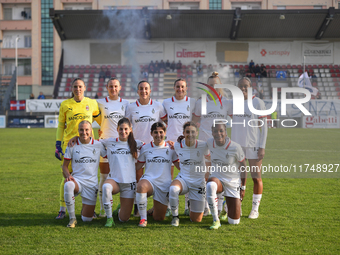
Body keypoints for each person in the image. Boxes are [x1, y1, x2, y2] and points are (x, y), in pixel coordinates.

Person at [55, 78, 100, 219]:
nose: (78, 89)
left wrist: (101, 137)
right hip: (69, 144)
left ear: (85, 87)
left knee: (89, 172)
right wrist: (58, 144)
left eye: (80, 86)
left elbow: (101, 121)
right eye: (75, 86)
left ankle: (89, 208)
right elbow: (61, 126)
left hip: (87, 145)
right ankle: (62, 209)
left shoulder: (92, 103)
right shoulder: (65, 104)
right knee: (67, 175)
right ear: (71, 88)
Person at [126, 80, 167, 215]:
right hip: (137, 149)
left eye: (146, 89)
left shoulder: (158, 106)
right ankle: (138, 208)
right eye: (141, 89)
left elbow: (165, 124)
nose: (143, 91)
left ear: (150, 91)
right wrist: (132, 146)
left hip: (154, 149)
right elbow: (127, 128)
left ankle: (158, 207)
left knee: (157, 177)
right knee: (138, 179)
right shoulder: (131, 107)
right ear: (137, 91)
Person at [229, 77, 268, 219]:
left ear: (251, 87)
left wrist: (262, 147)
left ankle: (255, 209)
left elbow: (264, 127)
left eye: (245, 86)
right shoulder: (233, 103)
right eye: (240, 86)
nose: (243, 88)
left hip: (253, 145)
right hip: (237, 147)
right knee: (237, 178)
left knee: (256, 178)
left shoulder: (258, 102)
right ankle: (235, 205)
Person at [193, 72, 229, 216]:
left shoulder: (226, 102)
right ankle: (207, 206)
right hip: (204, 143)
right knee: (205, 175)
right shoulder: (200, 102)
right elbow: (194, 122)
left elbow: (238, 119)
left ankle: (220, 206)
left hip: (220, 144)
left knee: (219, 175)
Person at [101, 118, 145, 227]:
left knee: (123, 219)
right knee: (106, 187)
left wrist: (168, 144)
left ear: (130, 130)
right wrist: (76, 137)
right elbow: (92, 142)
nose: (123, 131)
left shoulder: (136, 143)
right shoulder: (110, 141)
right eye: (121, 129)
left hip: (129, 184)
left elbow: (151, 147)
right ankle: (109, 218)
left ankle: (119, 210)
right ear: (117, 129)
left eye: (126, 129)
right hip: (114, 180)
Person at [135, 122, 180, 227]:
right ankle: (143, 219)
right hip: (149, 181)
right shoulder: (145, 148)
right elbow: (137, 167)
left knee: (158, 218)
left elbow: (180, 167)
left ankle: (151, 211)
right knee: (141, 186)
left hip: (164, 184)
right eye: (155, 132)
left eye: (161, 132)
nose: (158, 135)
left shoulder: (171, 148)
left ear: (165, 133)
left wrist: (180, 149)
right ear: (151, 133)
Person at [62, 121, 106, 228]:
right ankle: (72, 219)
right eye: (81, 130)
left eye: (87, 130)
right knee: (68, 185)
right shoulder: (72, 144)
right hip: (77, 181)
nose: (84, 132)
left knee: (87, 219)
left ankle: (84, 210)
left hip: (91, 184)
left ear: (91, 131)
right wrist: (68, 176)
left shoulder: (98, 145)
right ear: (78, 131)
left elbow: (110, 156)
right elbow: (64, 166)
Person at [96, 78, 129, 217]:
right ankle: (103, 210)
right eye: (110, 86)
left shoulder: (126, 104)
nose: (113, 88)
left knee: (124, 178)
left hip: (122, 146)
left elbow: (128, 125)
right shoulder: (100, 103)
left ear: (120, 87)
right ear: (107, 87)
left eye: (115, 86)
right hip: (105, 145)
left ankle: (122, 208)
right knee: (103, 177)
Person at [162, 78, 196, 215]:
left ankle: (188, 207)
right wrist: (169, 138)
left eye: (182, 87)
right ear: (174, 87)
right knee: (168, 176)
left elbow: (197, 119)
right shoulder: (166, 102)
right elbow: (164, 120)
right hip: (170, 145)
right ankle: (169, 207)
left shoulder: (192, 102)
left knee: (188, 175)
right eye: (177, 86)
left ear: (186, 88)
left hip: (187, 145)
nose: (180, 89)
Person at [206, 123, 247, 229]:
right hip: (217, 179)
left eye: (221, 131)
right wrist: (181, 139)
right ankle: (216, 220)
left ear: (226, 132)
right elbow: (193, 143)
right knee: (210, 185)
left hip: (233, 182)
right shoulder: (210, 143)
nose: (218, 133)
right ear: (212, 133)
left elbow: (243, 167)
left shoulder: (235, 147)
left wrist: (243, 187)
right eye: (215, 131)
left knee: (234, 222)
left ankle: (225, 208)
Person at [169, 122, 209, 226]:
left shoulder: (203, 145)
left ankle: (192, 203)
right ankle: (175, 217)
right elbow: (171, 150)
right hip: (184, 179)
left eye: (192, 132)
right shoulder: (178, 145)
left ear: (196, 133)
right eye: (187, 132)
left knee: (196, 220)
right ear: (183, 133)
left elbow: (211, 158)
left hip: (199, 182)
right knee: (173, 189)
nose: (190, 134)